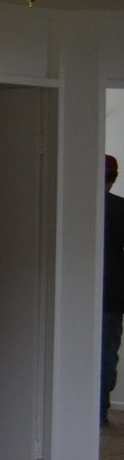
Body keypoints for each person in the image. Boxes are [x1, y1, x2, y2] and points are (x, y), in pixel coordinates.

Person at [105, 156, 124, 423]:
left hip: (73, 295)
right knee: (107, 355)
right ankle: (99, 412)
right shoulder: (121, 208)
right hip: (112, 293)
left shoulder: (71, 206)